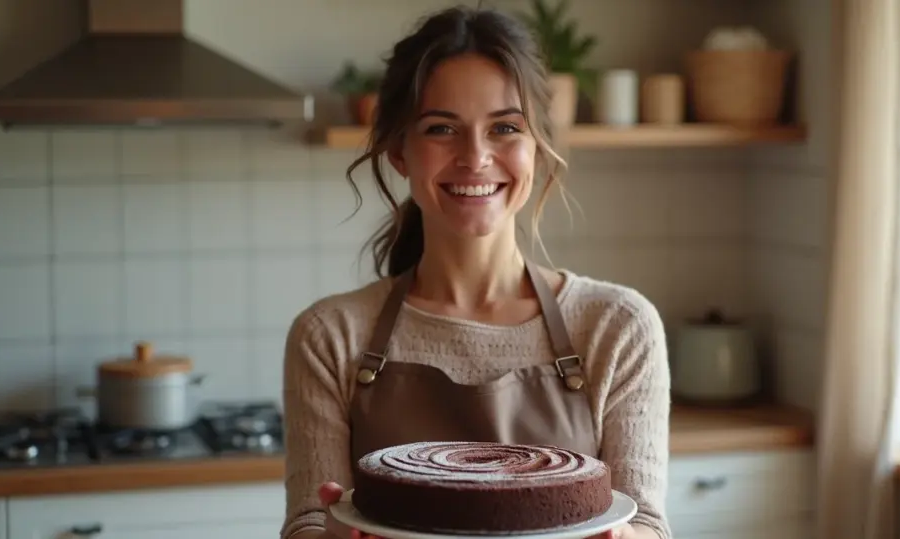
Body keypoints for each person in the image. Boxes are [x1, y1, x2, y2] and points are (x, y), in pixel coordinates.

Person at [279, 5, 671, 539]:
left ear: (537, 149)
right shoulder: (330, 335)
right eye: (442, 128)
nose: (476, 157)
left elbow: (646, 522)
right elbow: (307, 521)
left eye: (505, 128)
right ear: (399, 152)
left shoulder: (616, 326)